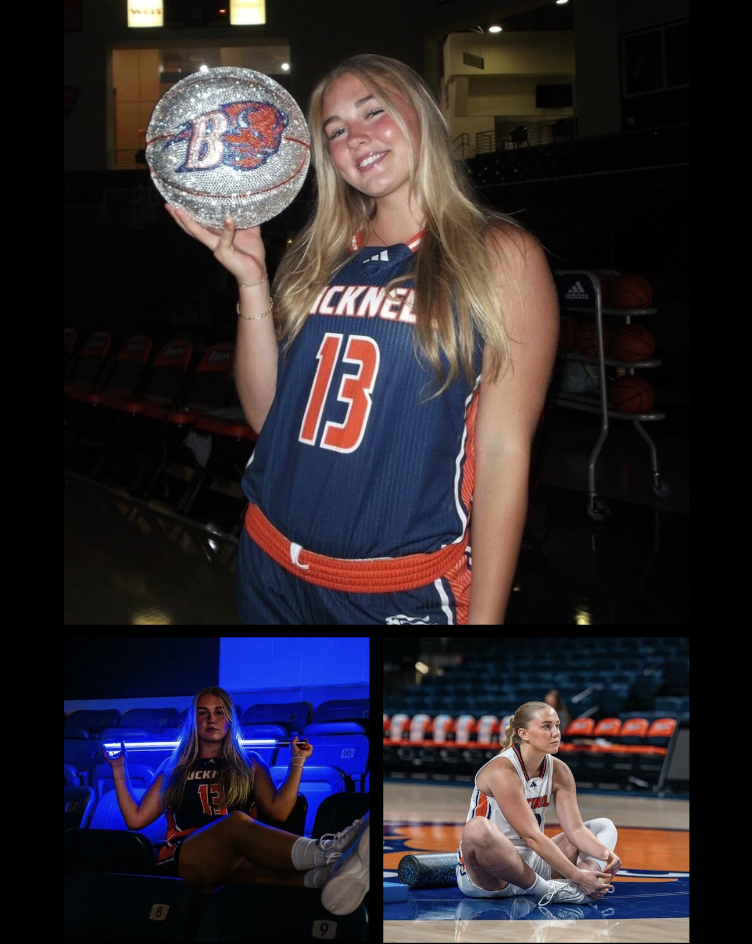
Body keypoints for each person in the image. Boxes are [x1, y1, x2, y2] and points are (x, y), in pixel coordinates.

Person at [166, 54, 559, 625]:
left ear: (421, 114)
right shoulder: (316, 256)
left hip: (392, 591)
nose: (357, 138)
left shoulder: (499, 255)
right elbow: (267, 418)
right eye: (336, 130)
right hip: (267, 563)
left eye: (374, 111)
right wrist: (252, 282)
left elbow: (503, 455)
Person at [102, 686, 369, 915]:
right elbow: (136, 820)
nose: (211, 719)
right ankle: (333, 850)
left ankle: (331, 878)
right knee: (235, 823)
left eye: (219, 712)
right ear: (193, 721)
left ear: (230, 719)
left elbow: (279, 812)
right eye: (203, 712)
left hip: (236, 862)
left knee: (258, 872)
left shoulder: (249, 762)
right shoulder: (173, 766)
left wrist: (297, 761)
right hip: (185, 858)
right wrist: (119, 771)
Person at [456, 700, 621, 905]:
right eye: (546, 726)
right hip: (492, 875)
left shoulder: (560, 771)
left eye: (557, 725)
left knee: (603, 826)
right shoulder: (502, 770)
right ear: (523, 733)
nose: (556, 732)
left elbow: (576, 830)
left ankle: (584, 883)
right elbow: (531, 836)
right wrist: (575, 874)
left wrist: (605, 855)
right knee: (477, 829)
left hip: (534, 864)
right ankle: (549, 890)